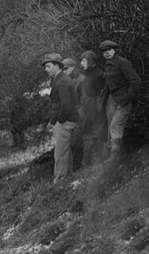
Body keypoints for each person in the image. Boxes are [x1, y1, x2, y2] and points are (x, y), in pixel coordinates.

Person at [99, 39, 142, 163]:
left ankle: (114, 157)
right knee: (110, 124)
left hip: (123, 99)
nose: (107, 53)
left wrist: (128, 97)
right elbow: (108, 83)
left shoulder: (123, 63)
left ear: (114, 50)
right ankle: (111, 153)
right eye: (104, 51)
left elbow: (136, 81)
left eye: (109, 50)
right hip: (113, 98)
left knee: (115, 125)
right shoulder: (107, 64)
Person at [42, 53, 80, 183]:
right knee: (64, 150)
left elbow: (66, 105)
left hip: (65, 121)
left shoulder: (62, 81)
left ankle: (60, 179)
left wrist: (59, 121)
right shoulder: (59, 78)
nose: (46, 69)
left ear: (57, 66)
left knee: (60, 151)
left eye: (48, 66)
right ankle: (67, 176)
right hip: (65, 120)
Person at [78, 50, 107, 167]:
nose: (81, 63)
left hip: (96, 109)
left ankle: (94, 163)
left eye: (84, 60)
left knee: (95, 134)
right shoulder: (89, 74)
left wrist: (97, 110)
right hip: (90, 107)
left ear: (91, 62)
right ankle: (91, 163)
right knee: (90, 135)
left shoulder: (98, 75)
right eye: (81, 61)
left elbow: (101, 94)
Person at [61, 58, 85, 170]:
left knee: (77, 143)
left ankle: (78, 170)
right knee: (71, 144)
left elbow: (85, 102)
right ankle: (76, 170)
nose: (64, 71)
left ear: (73, 67)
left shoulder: (82, 80)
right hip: (73, 117)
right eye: (63, 69)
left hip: (81, 117)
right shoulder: (70, 81)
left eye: (66, 68)